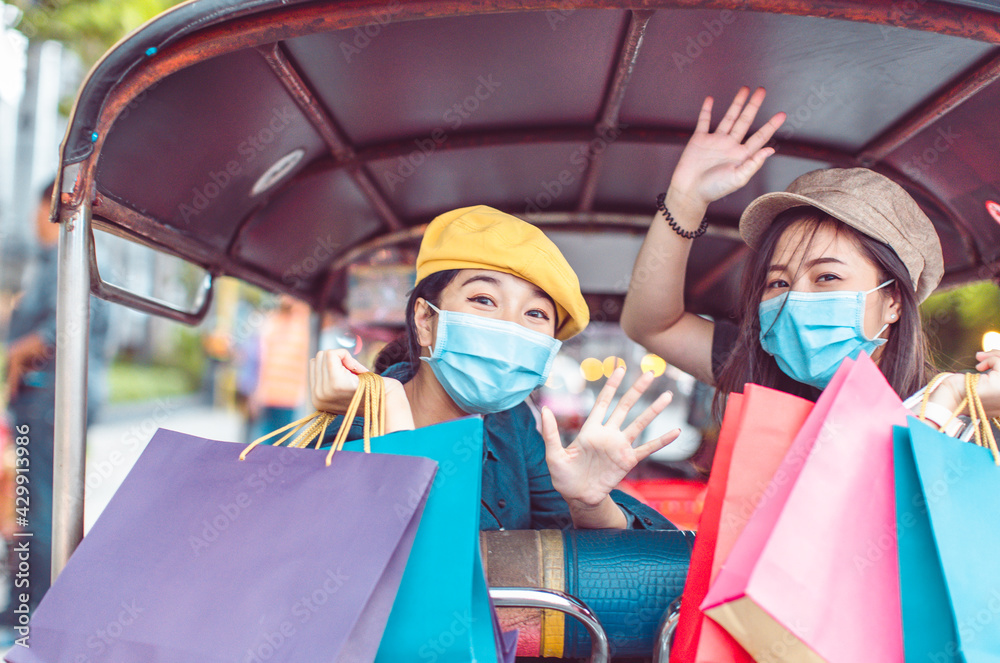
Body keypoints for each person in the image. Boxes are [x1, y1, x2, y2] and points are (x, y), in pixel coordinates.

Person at [621, 86, 999, 423]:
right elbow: (653, 325)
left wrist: (945, 406)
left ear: (894, 301)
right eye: (778, 283)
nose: (795, 299)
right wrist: (685, 198)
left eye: (827, 277)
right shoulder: (761, 374)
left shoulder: (959, 415)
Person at [309, 205, 679, 530]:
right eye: (484, 299)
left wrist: (589, 505)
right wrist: (393, 414)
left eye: (536, 313)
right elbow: (402, 560)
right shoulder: (350, 430)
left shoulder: (512, 424)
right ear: (425, 320)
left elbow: (571, 547)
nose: (511, 327)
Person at [2, 182, 109, 620]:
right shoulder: (72, 257)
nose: (34, 221)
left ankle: (34, 608)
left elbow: (60, 328)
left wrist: (14, 354)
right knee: (42, 500)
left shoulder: (66, 256)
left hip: (47, 397)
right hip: (54, 397)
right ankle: (32, 604)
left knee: (36, 503)